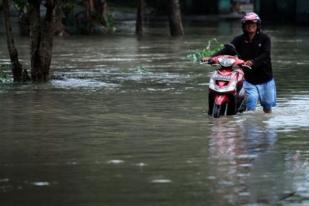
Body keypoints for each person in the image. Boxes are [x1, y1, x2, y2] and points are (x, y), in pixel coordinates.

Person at [203, 12, 276, 113]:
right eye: (247, 24)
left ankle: (265, 124)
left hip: (265, 78)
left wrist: (252, 62)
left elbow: (265, 54)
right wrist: (211, 57)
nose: (250, 26)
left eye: (253, 24)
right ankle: (249, 126)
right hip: (249, 78)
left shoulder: (265, 39)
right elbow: (227, 50)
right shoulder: (239, 40)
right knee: (251, 103)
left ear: (257, 25)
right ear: (244, 26)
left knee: (267, 106)